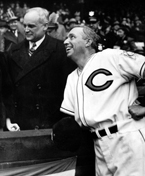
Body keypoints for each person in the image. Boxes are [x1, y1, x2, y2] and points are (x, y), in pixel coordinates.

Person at [61, 25, 145, 176]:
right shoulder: (72, 77)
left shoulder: (110, 56)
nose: (65, 41)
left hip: (126, 137)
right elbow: (73, 120)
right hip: (98, 146)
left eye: (72, 37)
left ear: (88, 41)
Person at [7, 7, 75, 130]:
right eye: (25, 25)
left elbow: (68, 89)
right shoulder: (14, 50)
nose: (26, 30)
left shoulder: (60, 49)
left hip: (49, 121)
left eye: (31, 26)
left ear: (45, 26)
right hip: (20, 122)